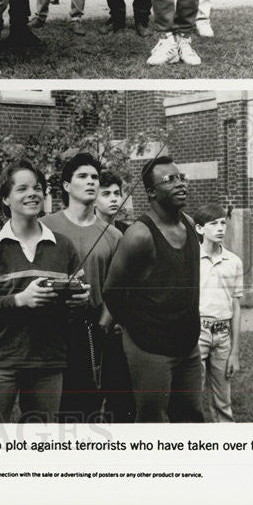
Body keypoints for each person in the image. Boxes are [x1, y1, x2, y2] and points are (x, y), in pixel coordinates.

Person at [0, 161, 88, 423]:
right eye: (22, 188)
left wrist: (80, 299)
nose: (33, 193)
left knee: (40, 439)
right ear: (5, 198)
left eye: (37, 187)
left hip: (48, 362)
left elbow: (76, 304)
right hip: (1, 361)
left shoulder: (63, 246)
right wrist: (20, 300)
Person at [102, 156, 205, 422]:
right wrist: (137, 330)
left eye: (181, 177)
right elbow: (112, 291)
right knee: (153, 420)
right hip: (151, 349)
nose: (180, 184)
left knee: (192, 416)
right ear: (150, 192)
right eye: (170, 180)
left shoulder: (190, 225)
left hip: (188, 345)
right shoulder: (139, 235)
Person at [41, 154, 122, 423]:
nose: (91, 182)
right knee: (48, 409)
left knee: (86, 408)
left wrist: (103, 323)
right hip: (50, 329)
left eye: (95, 178)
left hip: (93, 330)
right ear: (66, 186)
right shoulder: (45, 226)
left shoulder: (112, 235)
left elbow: (118, 288)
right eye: (83, 176)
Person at [92, 170, 136, 423]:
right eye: (105, 193)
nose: (113, 199)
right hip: (91, 319)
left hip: (121, 326)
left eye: (117, 193)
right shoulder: (86, 230)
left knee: (122, 397)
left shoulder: (129, 232)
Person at [194, 203, 243, 422]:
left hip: (223, 335)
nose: (220, 228)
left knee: (223, 400)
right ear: (199, 229)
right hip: (197, 333)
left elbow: (236, 305)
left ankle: (225, 441)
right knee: (192, 396)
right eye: (213, 224)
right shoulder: (191, 260)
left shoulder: (233, 261)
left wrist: (235, 351)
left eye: (223, 223)